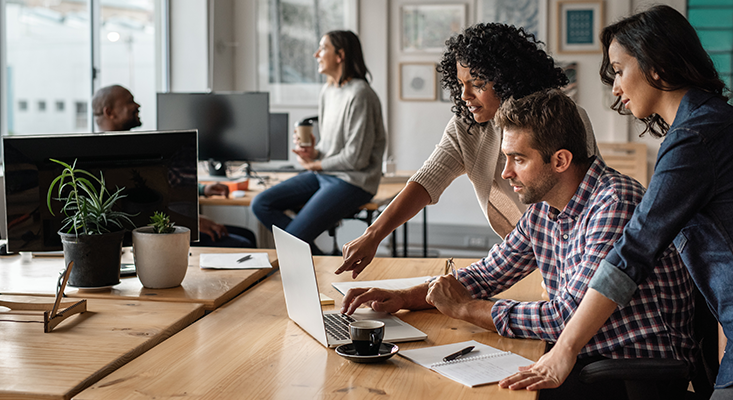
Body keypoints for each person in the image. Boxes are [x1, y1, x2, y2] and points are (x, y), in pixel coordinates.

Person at [501, 6, 733, 399]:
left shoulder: (696, 139)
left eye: (619, 70)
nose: (615, 87)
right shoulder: (710, 125)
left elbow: (632, 252)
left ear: (657, 65)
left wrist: (564, 349)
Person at [342, 88, 695, 399]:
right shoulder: (547, 204)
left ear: (560, 160)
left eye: (518, 159)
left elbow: (564, 317)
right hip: (585, 354)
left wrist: (467, 310)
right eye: (506, 157)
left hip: (629, 369)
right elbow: (489, 273)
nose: (506, 172)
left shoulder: (614, 204)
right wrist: (407, 297)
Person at [337, 23, 599, 278]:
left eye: (477, 83)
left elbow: (584, 200)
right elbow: (427, 180)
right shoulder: (467, 126)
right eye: (461, 84)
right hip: (522, 252)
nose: (464, 95)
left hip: (575, 250)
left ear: (508, 79)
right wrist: (373, 235)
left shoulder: (560, 118)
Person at [250, 31, 386, 255]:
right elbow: (331, 149)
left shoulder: (361, 94)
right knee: (261, 203)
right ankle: (319, 261)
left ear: (340, 55)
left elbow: (356, 158)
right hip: (326, 175)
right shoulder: (328, 91)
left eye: (323, 48)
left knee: (293, 239)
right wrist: (314, 153)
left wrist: (315, 165)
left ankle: (311, 261)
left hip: (353, 182)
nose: (316, 54)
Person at [92, 85, 256, 248]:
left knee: (247, 235)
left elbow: (160, 189)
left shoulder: (129, 148)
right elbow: (141, 211)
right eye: (130, 102)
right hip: (152, 236)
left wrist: (202, 190)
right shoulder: (107, 158)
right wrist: (192, 223)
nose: (137, 105)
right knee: (244, 243)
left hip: (168, 224)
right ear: (109, 112)